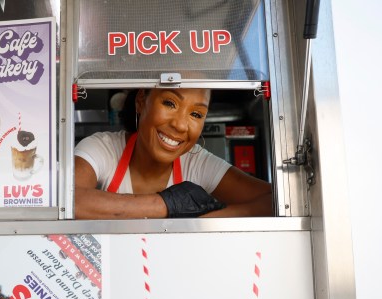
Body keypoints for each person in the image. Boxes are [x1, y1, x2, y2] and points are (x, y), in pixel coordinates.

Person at [74, 88, 273, 219]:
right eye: (170, 103)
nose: (179, 125)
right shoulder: (102, 148)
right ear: (142, 101)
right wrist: (169, 204)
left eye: (196, 114)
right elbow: (70, 201)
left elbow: (276, 201)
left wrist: (204, 220)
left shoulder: (197, 162)